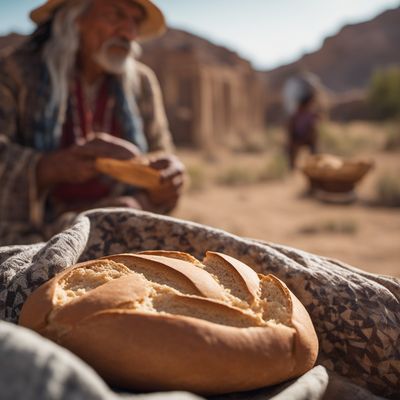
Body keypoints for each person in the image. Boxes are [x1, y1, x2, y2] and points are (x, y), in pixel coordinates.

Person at [0, 0, 185, 245]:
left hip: (124, 227)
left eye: (135, 22)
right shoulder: (14, 72)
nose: (129, 33)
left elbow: (160, 152)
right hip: (36, 234)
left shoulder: (141, 82)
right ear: (75, 20)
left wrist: (157, 187)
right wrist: (53, 166)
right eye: (116, 15)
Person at [286, 92, 320, 170]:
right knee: (290, 148)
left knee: (314, 148)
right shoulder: (295, 115)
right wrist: (292, 139)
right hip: (297, 137)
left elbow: (313, 127)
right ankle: (292, 168)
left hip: (308, 138)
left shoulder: (310, 114)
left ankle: (314, 166)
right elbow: (290, 127)